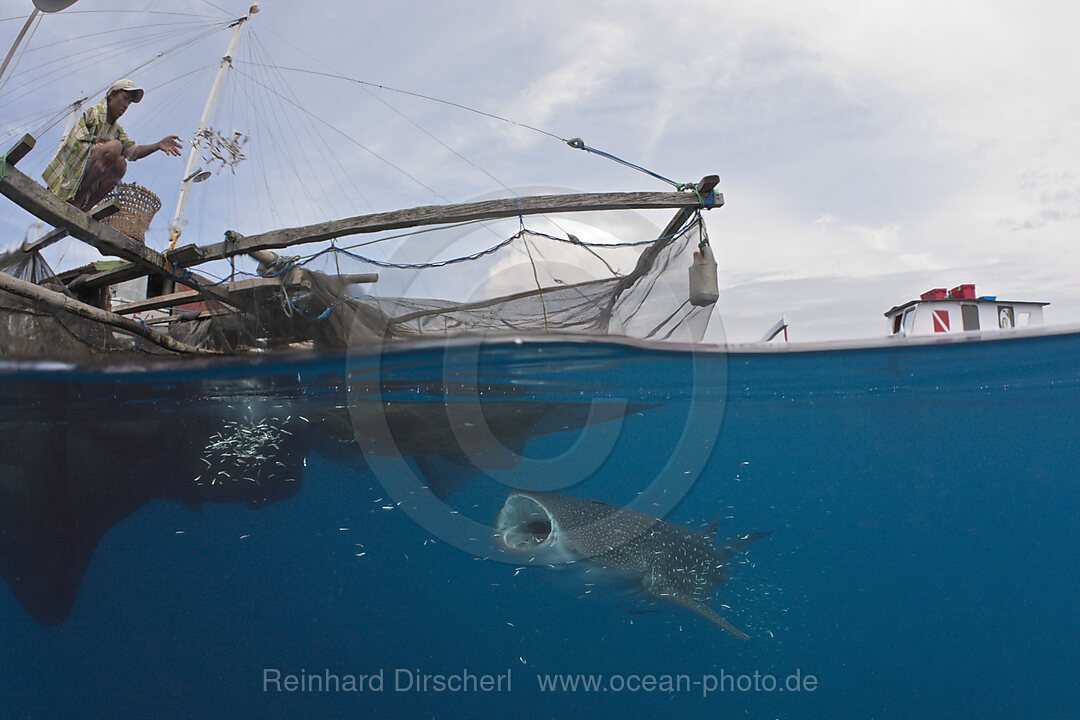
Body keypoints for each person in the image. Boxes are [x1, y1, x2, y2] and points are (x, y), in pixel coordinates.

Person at [42, 78, 182, 212]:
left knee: (121, 164)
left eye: (129, 103)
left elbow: (133, 152)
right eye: (125, 98)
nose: (126, 106)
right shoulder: (94, 113)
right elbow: (75, 147)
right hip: (69, 178)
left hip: (85, 179)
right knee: (115, 147)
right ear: (112, 95)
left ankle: (85, 208)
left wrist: (158, 145)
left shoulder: (117, 131)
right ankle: (75, 200)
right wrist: (105, 147)